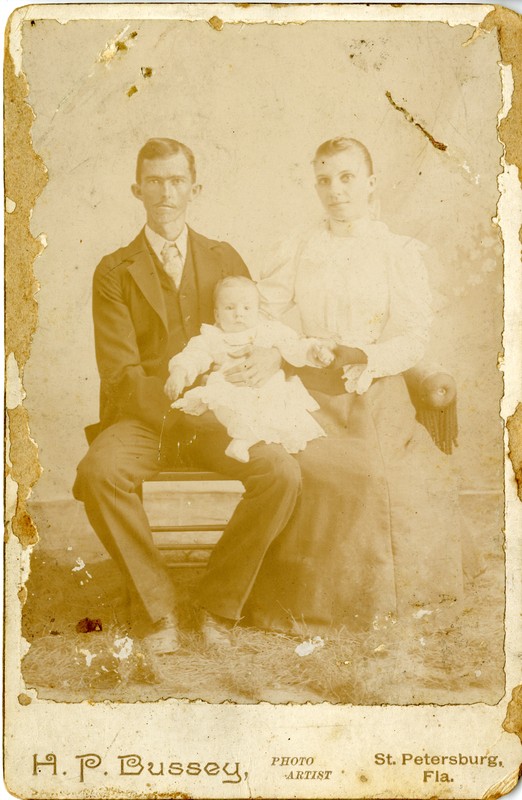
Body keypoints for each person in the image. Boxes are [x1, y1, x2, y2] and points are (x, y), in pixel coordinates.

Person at [73, 138, 303, 654]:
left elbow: (258, 334)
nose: (165, 193)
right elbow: (119, 372)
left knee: (281, 473)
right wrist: (178, 410)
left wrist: (267, 364)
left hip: (221, 415)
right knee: (98, 474)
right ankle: (159, 609)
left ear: (194, 188)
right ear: (137, 189)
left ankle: (219, 602)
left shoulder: (224, 258)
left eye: (176, 180)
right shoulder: (114, 270)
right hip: (144, 418)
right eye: (154, 181)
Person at [242, 136, 472, 634]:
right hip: (310, 388)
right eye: (324, 179)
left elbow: (414, 335)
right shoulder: (301, 246)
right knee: (313, 468)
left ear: (370, 183)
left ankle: (385, 596)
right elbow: (262, 312)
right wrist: (299, 348)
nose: (335, 190)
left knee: (379, 473)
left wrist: (367, 355)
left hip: (374, 384)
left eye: (347, 178)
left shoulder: (396, 251)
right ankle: (306, 598)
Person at [165, 275, 334, 463]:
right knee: (228, 406)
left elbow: (293, 346)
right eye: (230, 308)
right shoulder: (213, 337)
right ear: (217, 315)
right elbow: (194, 355)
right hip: (231, 389)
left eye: (246, 308)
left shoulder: (269, 330)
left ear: (257, 311)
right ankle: (243, 439)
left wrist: (314, 351)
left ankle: (243, 442)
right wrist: (179, 371)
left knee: (280, 410)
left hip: (268, 390)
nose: (239, 314)